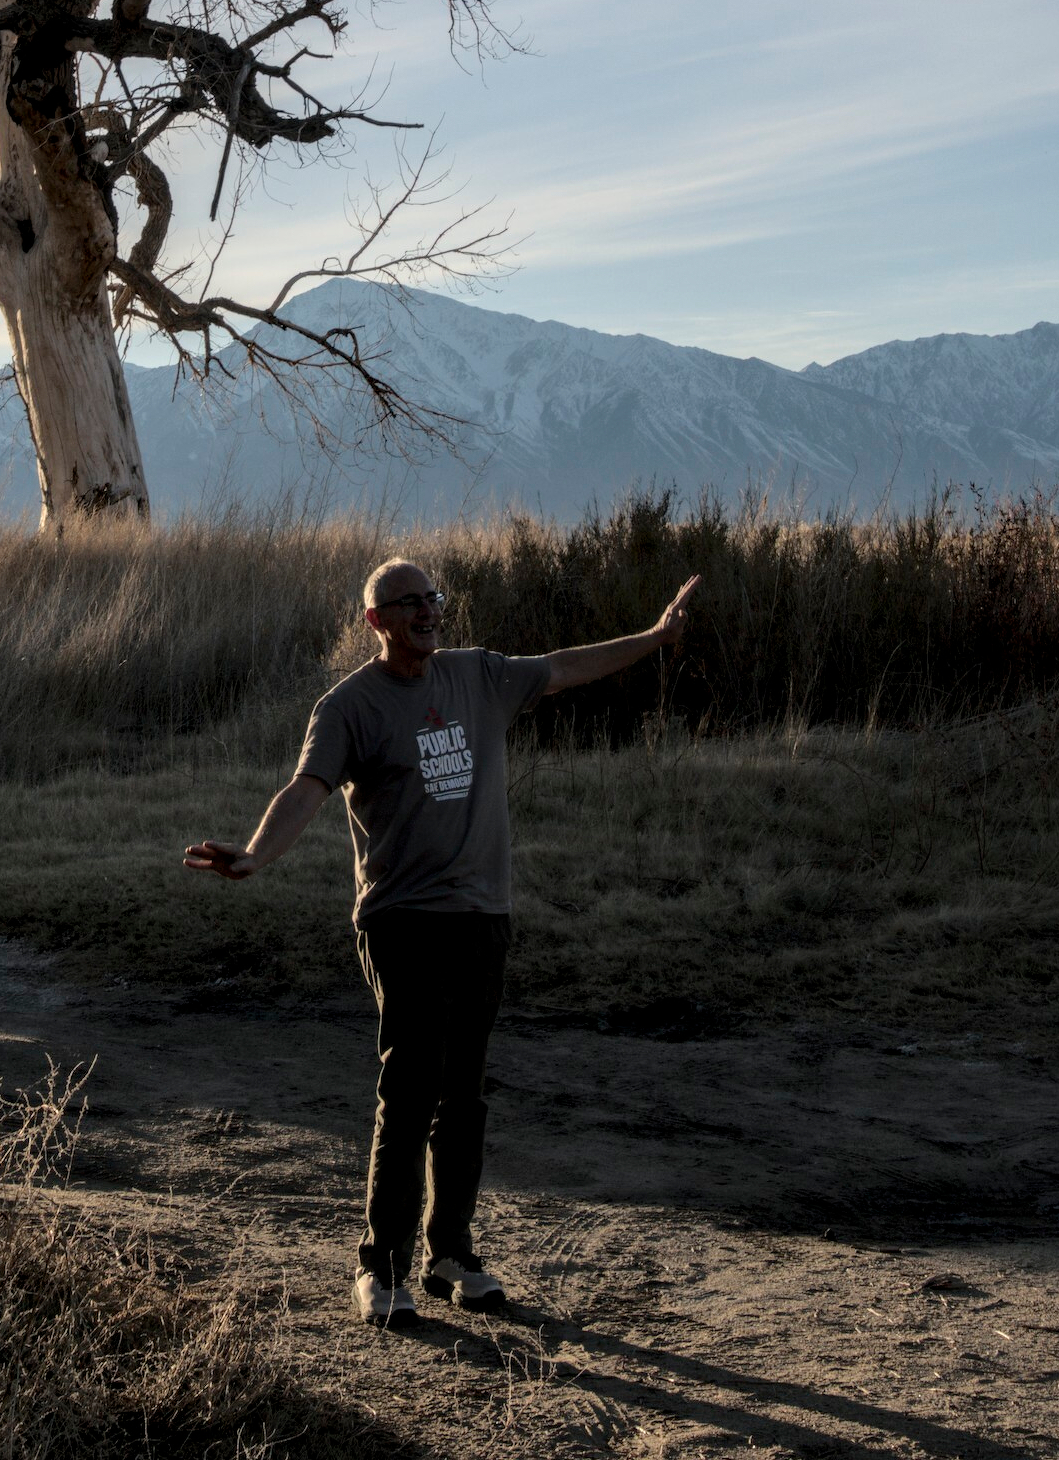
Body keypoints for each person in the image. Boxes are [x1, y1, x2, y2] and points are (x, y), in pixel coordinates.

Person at [183, 557, 697, 1330]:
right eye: (409, 603)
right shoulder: (347, 707)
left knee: (464, 1095)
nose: (428, 611)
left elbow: (564, 666)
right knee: (412, 1086)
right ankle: (380, 1268)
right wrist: (257, 854)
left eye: (435, 598)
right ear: (376, 621)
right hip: (402, 920)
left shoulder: (481, 677)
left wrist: (655, 638)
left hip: (483, 917)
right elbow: (305, 791)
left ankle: (450, 1254)